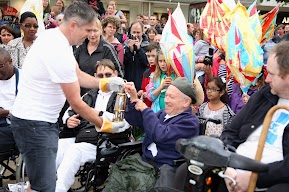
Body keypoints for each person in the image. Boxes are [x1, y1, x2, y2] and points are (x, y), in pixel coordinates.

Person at [10, 2, 125, 191]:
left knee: (38, 182)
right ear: (73, 25)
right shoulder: (57, 49)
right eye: (87, 29)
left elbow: (78, 75)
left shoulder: (55, 38)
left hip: (37, 122)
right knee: (45, 187)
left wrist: (104, 83)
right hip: (35, 124)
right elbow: (77, 104)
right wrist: (106, 124)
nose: (89, 35)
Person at [104, 77, 199, 190]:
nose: (166, 100)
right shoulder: (163, 113)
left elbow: (160, 135)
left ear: (186, 102)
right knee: (116, 181)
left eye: (171, 97)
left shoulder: (190, 123)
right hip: (144, 162)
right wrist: (133, 98)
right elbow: (138, 121)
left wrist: (146, 110)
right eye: (166, 95)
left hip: (163, 168)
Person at [219, 41, 289, 192]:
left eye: (271, 74)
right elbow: (230, 131)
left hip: (270, 182)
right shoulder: (264, 95)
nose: (267, 79)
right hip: (233, 170)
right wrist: (228, 165)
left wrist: (255, 178)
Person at [56, 59, 129, 192]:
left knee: (74, 151)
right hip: (84, 136)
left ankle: (58, 189)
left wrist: (99, 114)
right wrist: (69, 120)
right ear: (95, 77)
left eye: (108, 75)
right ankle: (42, 185)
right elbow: (68, 113)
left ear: (115, 74)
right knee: (58, 147)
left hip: (107, 141)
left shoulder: (123, 95)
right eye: (101, 76)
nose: (105, 78)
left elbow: (123, 121)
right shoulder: (89, 95)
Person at [74, 18, 124, 95]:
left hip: (101, 95)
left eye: (95, 31)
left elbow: (119, 73)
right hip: (81, 94)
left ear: (101, 30)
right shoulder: (80, 47)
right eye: (89, 31)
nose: (92, 35)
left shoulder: (107, 48)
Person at [0, 48, 19, 147]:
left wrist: (7, 112)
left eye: (0, 66)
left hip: (16, 128)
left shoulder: (25, 79)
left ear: (10, 61)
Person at [123, 21, 149, 91]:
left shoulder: (147, 46)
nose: (136, 35)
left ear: (142, 32)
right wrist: (130, 50)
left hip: (141, 82)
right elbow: (123, 62)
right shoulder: (124, 45)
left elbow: (147, 63)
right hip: (128, 81)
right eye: (134, 32)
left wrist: (139, 49)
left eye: (138, 32)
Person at [138, 42, 159, 107]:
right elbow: (144, 88)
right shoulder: (147, 72)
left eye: (153, 56)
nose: (150, 59)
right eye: (148, 56)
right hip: (146, 105)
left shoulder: (161, 72)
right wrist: (142, 92)